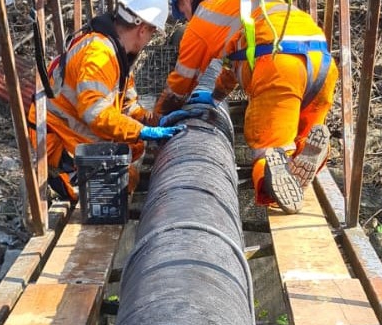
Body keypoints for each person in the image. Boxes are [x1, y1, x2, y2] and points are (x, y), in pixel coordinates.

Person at [155, 0, 338, 214]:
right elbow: (237, 63)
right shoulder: (242, 8)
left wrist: (158, 116)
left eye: (182, 11)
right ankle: (308, 151)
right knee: (300, 142)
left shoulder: (203, 19)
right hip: (322, 64)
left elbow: (180, 84)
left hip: (281, 67)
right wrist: (215, 96)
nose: (185, 18)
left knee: (268, 149)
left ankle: (272, 180)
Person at [28, 0, 184, 201]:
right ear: (143, 29)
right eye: (153, 33)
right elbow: (95, 111)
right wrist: (141, 131)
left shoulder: (117, 53)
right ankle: (54, 178)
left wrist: (155, 120)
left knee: (135, 148)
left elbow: (128, 106)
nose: (149, 39)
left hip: (77, 132)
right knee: (121, 185)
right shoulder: (99, 55)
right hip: (60, 142)